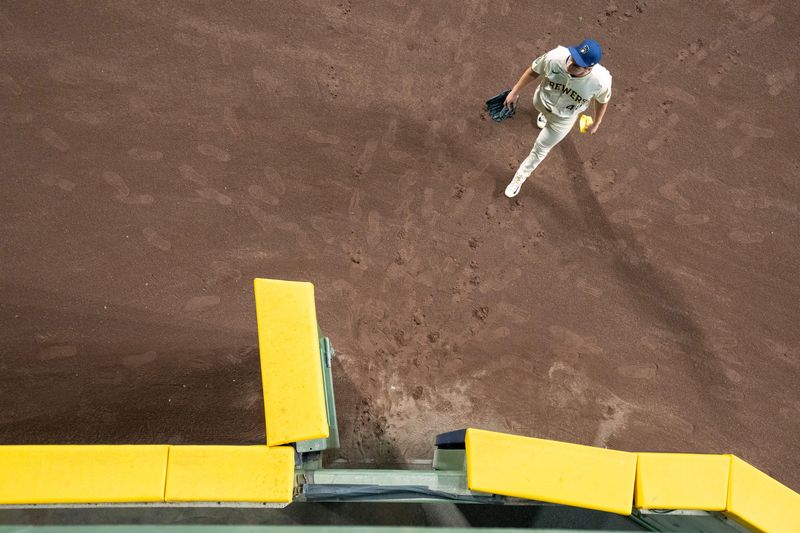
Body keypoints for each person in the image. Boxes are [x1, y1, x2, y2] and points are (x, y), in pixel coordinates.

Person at [503, 39, 612, 198]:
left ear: (589, 68)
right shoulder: (556, 57)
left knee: (540, 149)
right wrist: (514, 91)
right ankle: (544, 116)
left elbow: (603, 101)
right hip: (541, 101)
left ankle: (519, 178)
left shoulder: (600, 82)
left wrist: (597, 122)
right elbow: (534, 70)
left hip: (562, 120)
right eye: (572, 59)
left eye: (576, 66)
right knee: (541, 107)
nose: (569, 65)